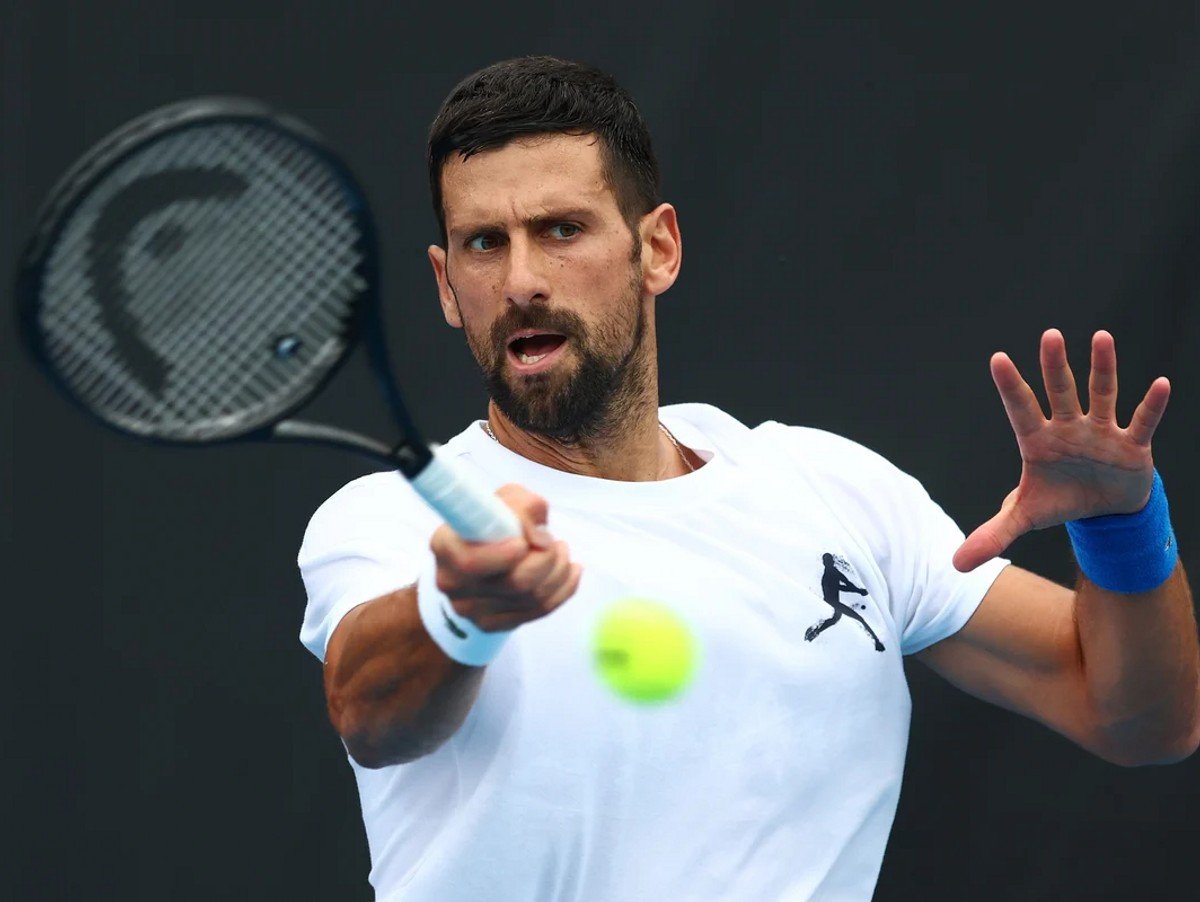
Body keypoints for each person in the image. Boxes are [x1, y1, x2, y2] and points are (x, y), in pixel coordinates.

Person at [298, 56, 1198, 901]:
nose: (522, 278)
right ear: (447, 285)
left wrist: (1122, 526)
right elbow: (370, 715)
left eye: (561, 230)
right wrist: (459, 610)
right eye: (483, 244)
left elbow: (1141, 721)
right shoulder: (385, 521)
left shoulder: (831, 490)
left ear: (658, 248)